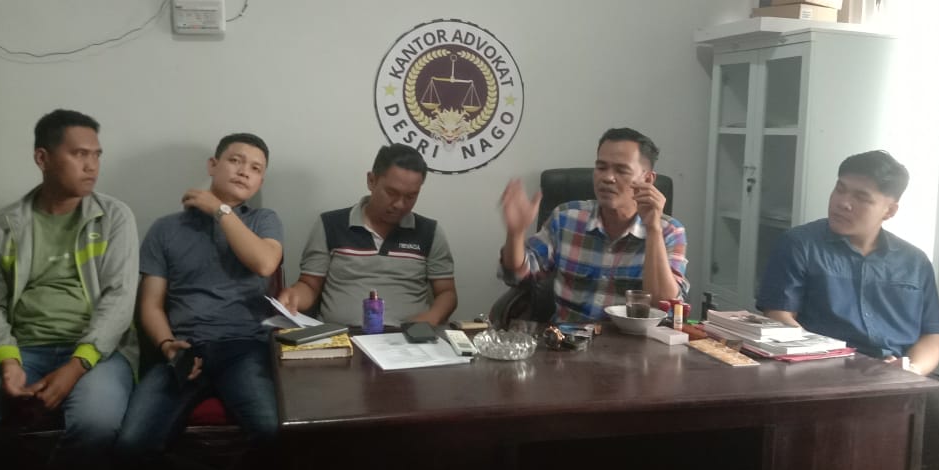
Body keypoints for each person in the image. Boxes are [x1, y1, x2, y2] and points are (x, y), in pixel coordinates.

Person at [756, 149, 939, 470]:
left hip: (905, 381)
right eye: (840, 189)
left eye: (861, 197)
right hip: (825, 378)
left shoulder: (914, 262)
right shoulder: (800, 245)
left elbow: (931, 336)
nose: (843, 202)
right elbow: (779, 316)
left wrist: (910, 369)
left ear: (890, 210)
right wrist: (841, 361)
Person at [0, 109, 139, 470]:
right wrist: (8, 363)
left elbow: (120, 298)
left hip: (97, 354)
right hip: (23, 350)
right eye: (79, 154)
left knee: (96, 425)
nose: (92, 166)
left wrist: (77, 365)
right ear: (43, 158)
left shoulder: (114, 217)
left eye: (97, 155)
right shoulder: (4, 225)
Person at [115, 133, 283, 470]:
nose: (244, 171)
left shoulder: (263, 221)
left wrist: (220, 211)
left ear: (261, 181)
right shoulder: (165, 229)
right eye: (235, 161)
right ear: (213, 165)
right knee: (131, 445)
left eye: (255, 168)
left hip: (244, 347)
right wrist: (167, 346)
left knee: (272, 432)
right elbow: (150, 304)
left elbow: (265, 263)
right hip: (184, 347)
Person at [498, 127, 688, 323]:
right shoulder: (566, 218)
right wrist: (515, 234)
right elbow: (517, 274)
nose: (607, 178)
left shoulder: (670, 232)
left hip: (631, 341)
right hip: (566, 337)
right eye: (601, 167)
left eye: (621, 170)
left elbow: (664, 306)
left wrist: (653, 229)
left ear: (647, 179)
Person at [278, 143, 456, 327]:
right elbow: (310, 285)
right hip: (342, 336)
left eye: (410, 196)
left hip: (408, 337)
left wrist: (432, 317)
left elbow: (447, 293)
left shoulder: (429, 232)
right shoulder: (330, 225)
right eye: (392, 193)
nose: (400, 204)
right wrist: (295, 296)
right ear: (372, 181)